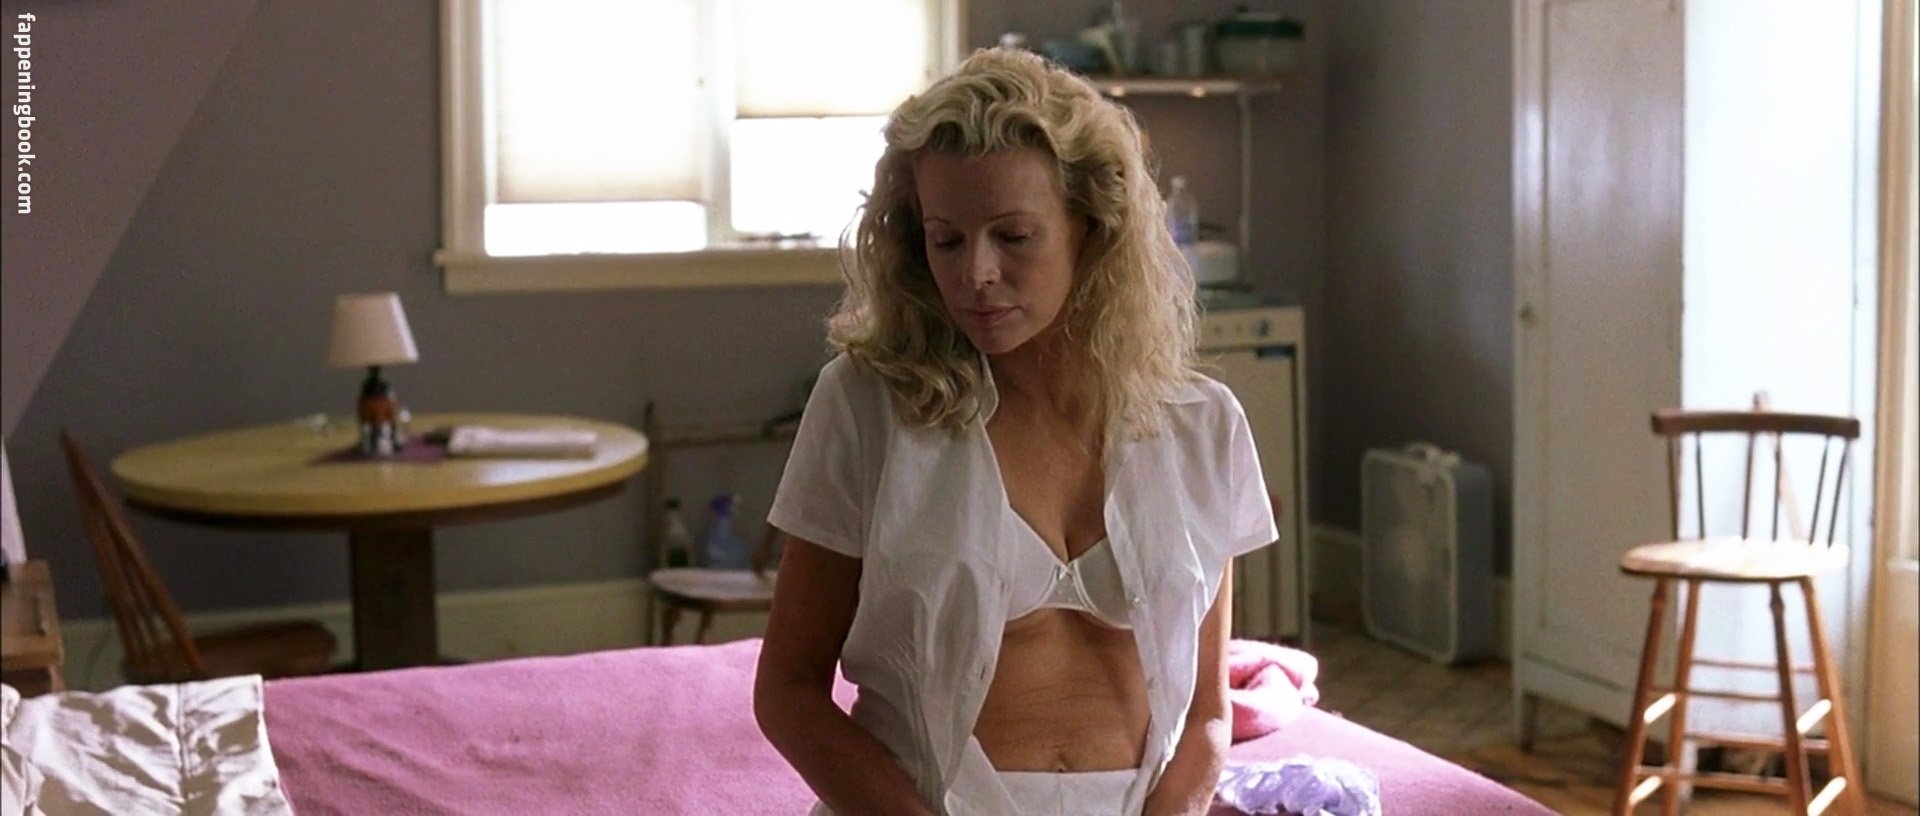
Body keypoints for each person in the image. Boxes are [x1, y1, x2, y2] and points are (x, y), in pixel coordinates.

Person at [753, 47, 1277, 816]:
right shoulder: (868, 407)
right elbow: (789, 690)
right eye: (947, 240)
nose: (976, 274)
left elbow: (1206, 714)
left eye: (1014, 236)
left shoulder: (1203, 427)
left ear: (1089, 228)